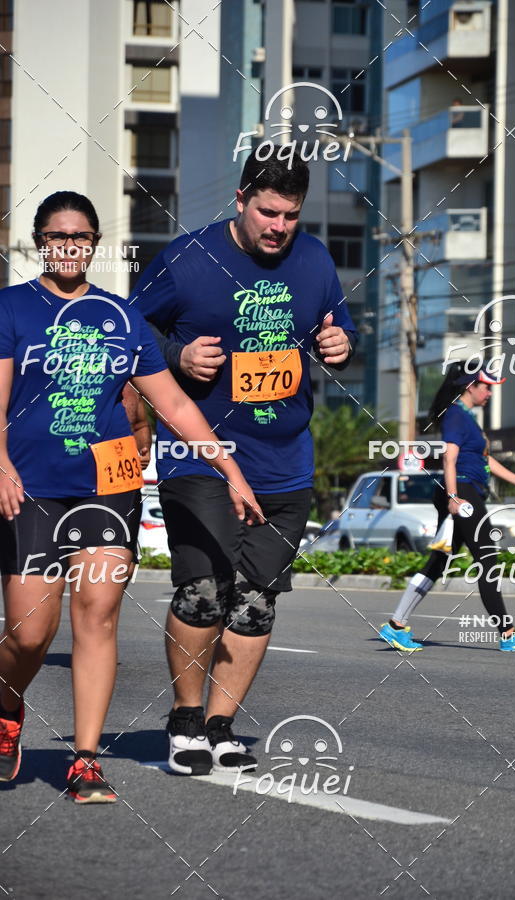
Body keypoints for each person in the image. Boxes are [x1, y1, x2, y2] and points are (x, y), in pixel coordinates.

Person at [0, 191, 261, 801]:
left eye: (83, 237)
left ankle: (85, 759)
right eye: (59, 236)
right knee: (31, 635)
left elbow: (171, 403)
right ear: (42, 242)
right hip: (32, 490)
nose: (71, 245)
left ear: (94, 244)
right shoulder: (11, 308)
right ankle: (7, 712)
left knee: (97, 615)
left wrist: (230, 469)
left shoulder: (122, 318)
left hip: (107, 488)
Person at [131, 149, 356, 775]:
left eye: (290, 214)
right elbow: (126, 327)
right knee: (205, 589)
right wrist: (175, 355)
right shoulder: (187, 258)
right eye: (266, 211)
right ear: (239, 199)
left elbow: (338, 327)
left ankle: (222, 725)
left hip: (285, 460)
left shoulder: (313, 259)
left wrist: (340, 343)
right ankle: (184, 720)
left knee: (255, 600)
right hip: (201, 455)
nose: (278, 226)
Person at [378, 361, 515, 653]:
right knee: (487, 559)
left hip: (466, 491)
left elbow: (483, 458)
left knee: (439, 562)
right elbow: (448, 459)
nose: (491, 393)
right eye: (487, 387)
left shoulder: (466, 417)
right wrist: (454, 498)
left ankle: (395, 626)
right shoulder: (455, 415)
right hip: (463, 492)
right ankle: (508, 632)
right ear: (471, 386)